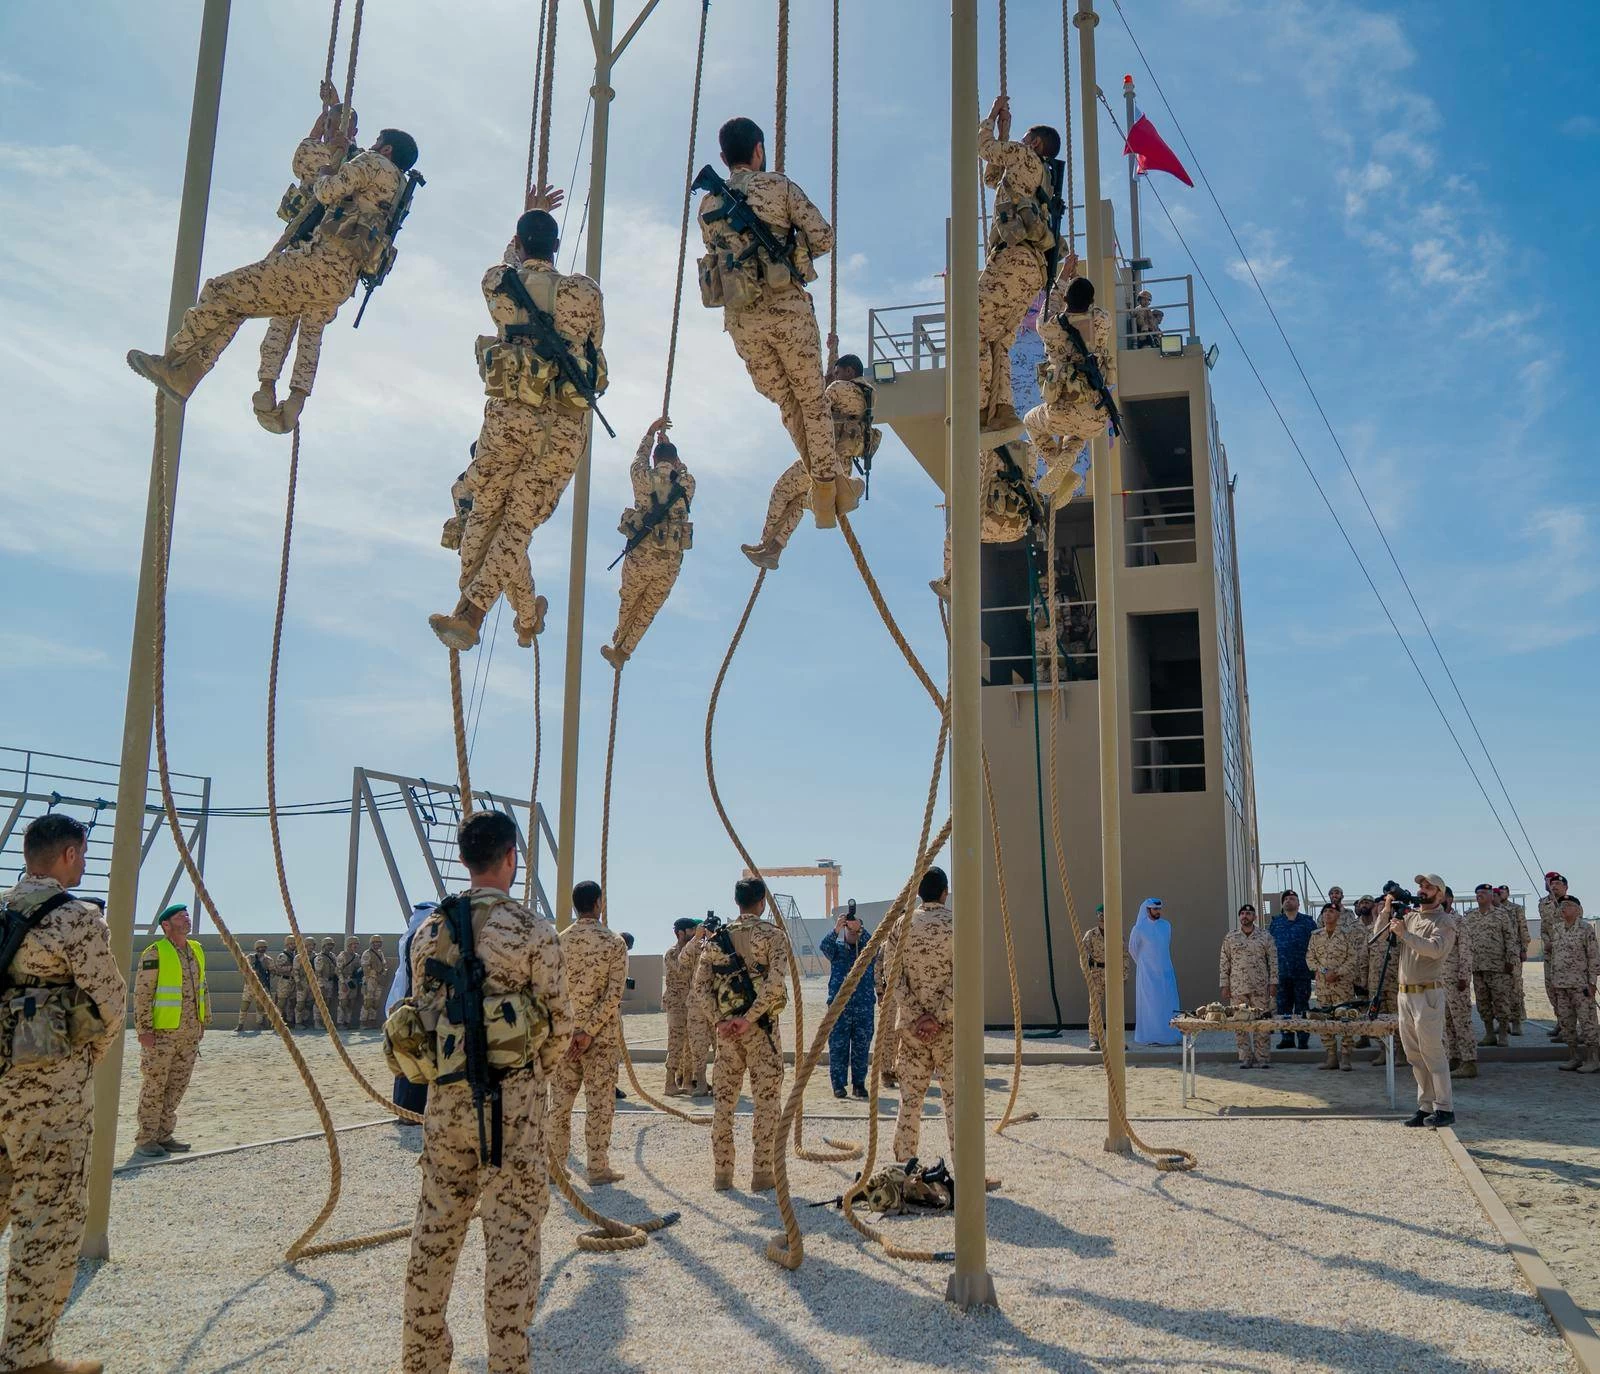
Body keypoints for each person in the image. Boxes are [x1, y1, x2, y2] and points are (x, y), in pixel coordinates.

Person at [401, 810, 571, 1374]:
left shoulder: (430, 932)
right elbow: (560, 1026)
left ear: (464, 859)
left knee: (434, 1237)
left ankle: (422, 1362)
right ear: (511, 858)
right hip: (512, 1112)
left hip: (445, 1105)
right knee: (512, 1243)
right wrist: (531, 1074)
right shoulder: (532, 930)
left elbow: (420, 1016)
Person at [128, 127, 419, 416]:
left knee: (221, 290)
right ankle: (185, 376)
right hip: (339, 283)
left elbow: (327, 191)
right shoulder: (397, 190)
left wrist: (328, 167)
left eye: (378, 141)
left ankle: (172, 362)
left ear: (387, 149)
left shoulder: (373, 162)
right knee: (239, 306)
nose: (373, 144)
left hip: (318, 265)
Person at [430, 188, 606, 653]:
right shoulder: (585, 292)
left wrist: (528, 223)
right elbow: (594, 342)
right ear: (556, 245)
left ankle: (471, 613)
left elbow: (507, 268)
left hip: (510, 415)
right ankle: (479, 613)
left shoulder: (497, 283)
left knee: (485, 513)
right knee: (516, 522)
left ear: (521, 244)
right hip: (562, 425)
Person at [0, 815, 125, 1374]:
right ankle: (27, 1358)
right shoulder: (76, 919)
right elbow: (111, 1005)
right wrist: (84, 1062)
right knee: (48, 1217)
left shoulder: (3, 910)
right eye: (84, 854)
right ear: (70, 855)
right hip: (49, 1093)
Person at [698, 116, 855, 528]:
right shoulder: (778, 186)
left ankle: (829, 484)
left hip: (742, 319)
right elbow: (823, 238)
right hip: (786, 310)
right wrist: (791, 250)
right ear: (759, 149)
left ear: (723, 158)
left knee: (789, 404)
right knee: (812, 402)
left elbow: (717, 253)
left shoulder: (707, 205)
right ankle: (827, 486)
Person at [252, 82, 362, 433]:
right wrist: (335, 112)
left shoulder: (322, 158)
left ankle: (270, 388)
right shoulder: (358, 165)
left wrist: (328, 114)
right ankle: (290, 396)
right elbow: (332, 138)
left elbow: (310, 146)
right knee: (306, 331)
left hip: (304, 256)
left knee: (285, 323)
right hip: (329, 265)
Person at [692, 876, 789, 1191]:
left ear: (737, 902)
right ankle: (762, 1174)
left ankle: (723, 1175)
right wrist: (749, 1018)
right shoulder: (772, 935)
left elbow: (699, 987)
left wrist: (720, 1020)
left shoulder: (716, 940)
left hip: (727, 1035)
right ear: (762, 902)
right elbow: (775, 984)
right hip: (761, 1031)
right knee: (766, 1102)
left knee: (724, 1103)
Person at [977, 95, 1061, 439]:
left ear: (1035, 143)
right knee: (998, 340)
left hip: (1012, 258)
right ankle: (1000, 410)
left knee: (973, 326)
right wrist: (1005, 131)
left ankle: (977, 406)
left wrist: (991, 117)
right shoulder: (1042, 177)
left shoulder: (1024, 155)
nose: (1021, 142)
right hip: (1032, 268)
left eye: (1026, 138)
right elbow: (992, 177)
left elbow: (983, 148)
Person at [741, 353, 874, 569]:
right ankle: (774, 550)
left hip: (824, 459)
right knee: (799, 501)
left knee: (782, 490)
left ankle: (767, 543)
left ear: (849, 371)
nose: (835, 377)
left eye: (838, 373)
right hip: (844, 465)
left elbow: (815, 405)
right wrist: (834, 353)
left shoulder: (840, 387)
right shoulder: (866, 396)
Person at [547, 881, 628, 1186]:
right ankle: (597, 1168)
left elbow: (551, 994)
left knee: (559, 1106)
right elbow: (614, 994)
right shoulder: (614, 942)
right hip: (601, 1040)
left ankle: (555, 1168)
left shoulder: (558, 942)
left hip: (565, 1040)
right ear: (598, 903)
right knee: (599, 1104)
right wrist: (590, 1032)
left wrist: (570, 1032)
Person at [601, 417, 695, 668]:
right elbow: (681, 470)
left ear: (655, 459)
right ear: (674, 461)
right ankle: (624, 649)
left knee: (629, 599)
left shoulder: (642, 477)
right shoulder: (686, 483)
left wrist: (650, 433)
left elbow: (638, 460)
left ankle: (621, 638)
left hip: (642, 554)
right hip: (670, 560)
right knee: (648, 609)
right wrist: (673, 456)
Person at [1027, 260, 1117, 501]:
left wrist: (1064, 277)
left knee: (1030, 422)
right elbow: (1092, 309)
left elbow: (1050, 305)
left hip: (1061, 413)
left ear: (1066, 298)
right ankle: (1067, 458)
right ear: (1091, 300)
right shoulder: (1102, 321)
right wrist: (1076, 287)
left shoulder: (1049, 327)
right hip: (1097, 416)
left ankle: (1057, 464)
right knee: (1078, 430)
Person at [133, 902, 209, 1159]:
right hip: (161, 1034)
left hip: (189, 1033)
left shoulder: (196, 950)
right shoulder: (155, 952)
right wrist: (144, 1029)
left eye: (187, 915)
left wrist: (203, 1020)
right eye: (180, 916)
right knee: (155, 1086)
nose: (187, 919)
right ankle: (146, 1139)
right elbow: (142, 994)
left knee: (177, 1086)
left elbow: (202, 987)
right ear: (166, 925)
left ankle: (164, 1135)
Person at [893, 869, 957, 1164]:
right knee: (956, 1103)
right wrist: (938, 1017)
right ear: (945, 892)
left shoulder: (901, 925)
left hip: (912, 1030)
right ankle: (967, 1172)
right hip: (950, 1030)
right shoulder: (957, 923)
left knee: (909, 1101)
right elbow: (964, 975)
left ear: (919, 892)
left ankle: (903, 1169)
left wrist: (917, 1016)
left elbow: (892, 976)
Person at [819, 900, 876, 1099]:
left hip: (863, 1008)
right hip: (839, 1008)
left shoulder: (867, 950)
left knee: (861, 1047)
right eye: (848, 930)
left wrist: (861, 929)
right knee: (838, 1047)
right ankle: (838, 1085)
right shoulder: (837, 949)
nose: (851, 933)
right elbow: (824, 946)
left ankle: (859, 1084)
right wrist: (836, 929)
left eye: (855, 931)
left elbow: (876, 946)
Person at [389, 900, 438, 1115]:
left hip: (409, 1001)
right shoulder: (422, 940)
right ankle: (411, 1109)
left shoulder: (409, 939)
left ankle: (405, 1106)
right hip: (421, 1002)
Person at [1218, 903, 1277, 1068]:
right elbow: (1224, 962)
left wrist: (1274, 982)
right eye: (1242, 913)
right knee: (1239, 1024)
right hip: (1238, 987)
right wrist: (1224, 985)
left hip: (1260, 987)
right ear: (1239, 917)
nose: (1245, 916)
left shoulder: (1265, 936)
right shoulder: (1231, 937)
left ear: (1255, 917)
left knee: (1262, 1023)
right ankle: (1245, 1057)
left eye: (1248, 914)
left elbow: (1273, 961)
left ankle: (1262, 1058)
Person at [1547, 896, 1599, 1072]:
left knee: (1587, 1022)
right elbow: (1555, 957)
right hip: (1561, 985)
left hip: (1580, 985)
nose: (1564, 909)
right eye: (1562, 906)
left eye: (1568, 906)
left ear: (1578, 910)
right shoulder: (1557, 928)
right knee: (1566, 1023)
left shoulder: (1585, 929)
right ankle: (1574, 1057)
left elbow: (1593, 957)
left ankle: (1593, 1059)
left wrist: (1592, 982)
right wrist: (1553, 980)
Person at [1306, 903, 1360, 1070]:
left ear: (1338, 915)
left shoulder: (1347, 934)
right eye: (1325, 912)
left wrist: (1337, 972)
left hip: (1342, 985)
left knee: (1345, 1019)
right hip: (1323, 986)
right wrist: (1324, 971)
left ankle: (1346, 1057)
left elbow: (1353, 958)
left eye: (1331, 911)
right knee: (1324, 1020)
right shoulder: (1316, 935)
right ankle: (1331, 1056)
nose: (1327, 914)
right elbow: (1310, 958)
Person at [1468, 884, 1518, 1049]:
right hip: (1478, 967)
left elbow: (1510, 939)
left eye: (1483, 893)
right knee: (1482, 1003)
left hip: (1498, 967)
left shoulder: (1502, 915)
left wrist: (1510, 960)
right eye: (1477, 893)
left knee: (1501, 1001)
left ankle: (1503, 1033)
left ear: (1491, 896)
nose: (1479, 895)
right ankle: (1489, 1034)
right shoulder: (1470, 916)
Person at [1128, 898, 1182, 1046]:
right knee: (1150, 1004)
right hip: (1147, 974)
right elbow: (1132, 949)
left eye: (1159, 909)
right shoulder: (1139, 928)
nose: (1158, 911)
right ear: (1148, 910)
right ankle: (1151, 1036)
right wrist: (1144, 965)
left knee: (1168, 1001)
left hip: (1166, 970)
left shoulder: (1166, 926)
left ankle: (1170, 1035)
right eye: (1155, 909)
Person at [1081, 904, 1132, 1053]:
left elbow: (1124, 955)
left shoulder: (1116, 934)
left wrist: (1124, 975)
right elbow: (1083, 954)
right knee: (1095, 1006)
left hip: (1113, 974)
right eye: (1100, 915)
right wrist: (1086, 973)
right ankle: (1095, 1039)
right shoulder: (1091, 934)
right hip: (1096, 973)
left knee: (1116, 1008)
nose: (1103, 918)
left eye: (1105, 915)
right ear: (1098, 917)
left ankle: (1117, 1039)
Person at [1268, 890, 1316, 1048]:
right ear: (1282, 904)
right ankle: (1287, 1038)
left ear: (1298, 903)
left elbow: (1315, 945)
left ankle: (1303, 1038)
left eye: (1292, 898)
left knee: (1302, 1006)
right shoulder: (1276, 922)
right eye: (1286, 899)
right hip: (1282, 972)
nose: (1289, 901)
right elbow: (1270, 947)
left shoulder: (1308, 922)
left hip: (1302, 972)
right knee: (1284, 1007)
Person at [1439, 890, 1476, 1080]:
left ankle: (1469, 1061)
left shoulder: (1458, 921)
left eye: (1441, 896)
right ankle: (1453, 1057)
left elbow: (1466, 950)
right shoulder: (1434, 921)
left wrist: (1463, 977)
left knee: (1461, 1020)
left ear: (1450, 899)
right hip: (1438, 980)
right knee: (1446, 1022)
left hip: (1455, 979)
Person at [662, 918, 698, 1096]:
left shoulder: (694, 952)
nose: (694, 934)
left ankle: (687, 1081)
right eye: (691, 930)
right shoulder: (671, 953)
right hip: (676, 1005)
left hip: (690, 1004)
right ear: (680, 933)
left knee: (690, 1045)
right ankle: (669, 1083)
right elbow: (683, 971)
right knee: (675, 1044)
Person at [679, 920, 712, 1097]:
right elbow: (682, 959)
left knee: (722, 1044)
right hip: (696, 1003)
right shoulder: (695, 946)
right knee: (697, 1045)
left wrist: (715, 939)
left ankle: (720, 1083)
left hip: (716, 1003)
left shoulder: (722, 943)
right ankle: (701, 1083)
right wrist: (696, 938)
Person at [1495, 884, 1530, 1033]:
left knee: (1515, 987)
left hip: (1513, 952)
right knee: (1498, 989)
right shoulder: (1492, 910)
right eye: (1498, 893)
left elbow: (1523, 929)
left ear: (1508, 894)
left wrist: (1524, 949)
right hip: (1496, 955)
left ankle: (1516, 1021)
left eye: (1503, 892)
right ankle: (1503, 1022)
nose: (1501, 895)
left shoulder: (1516, 909)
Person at [1539, 872, 1569, 1041]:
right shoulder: (1543, 903)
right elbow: (1544, 928)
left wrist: (1555, 943)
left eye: (1557, 883)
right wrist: (1547, 942)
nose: (1553, 885)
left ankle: (1569, 1028)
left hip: (1567, 955)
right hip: (1550, 954)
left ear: (1565, 887)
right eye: (1551, 883)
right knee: (1551, 989)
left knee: (1564, 990)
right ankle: (1560, 1021)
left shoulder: (1570, 903)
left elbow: (1572, 928)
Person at [237, 938, 274, 1033]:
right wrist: (252, 972)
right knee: (245, 1005)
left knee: (260, 1006)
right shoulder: (250, 958)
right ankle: (240, 1024)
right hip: (249, 985)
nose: (262, 949)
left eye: (263, 947)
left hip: (261, 986)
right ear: (256, 948)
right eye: (260, 947)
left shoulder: (268, 960)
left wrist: (269, 972)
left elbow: (273, 972)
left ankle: (259, 1023)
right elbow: (241, 969)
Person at [360, 933, 390, 1029]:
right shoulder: (367, 953)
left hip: (379, 981)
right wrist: (376, 976)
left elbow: (384, 966)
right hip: (370, 980)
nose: (377, 944)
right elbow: (365, 968)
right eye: (375, 942)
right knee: (368, 1002)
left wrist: (383, 975)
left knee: (376, 1002)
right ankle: (363, 1022)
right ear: (371, 943)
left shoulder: (380, 953)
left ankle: (372, 1021)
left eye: (379, 942)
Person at [336, 935, 363, 1029]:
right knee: (343, 1002)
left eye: (356, 944)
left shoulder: (357, 957)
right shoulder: (342, 956)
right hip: (345, 980)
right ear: (348, 945)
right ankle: (340, 1022)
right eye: (353, 944)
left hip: (353, 981)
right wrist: (342, 983)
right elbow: (338, 970)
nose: (355, 946)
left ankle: (347, 1022)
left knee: (351, 1002)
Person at [292, 932, 318, 1029]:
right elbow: (295, 971)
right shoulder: (299, 957)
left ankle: (305, 1020)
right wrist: (298, 982)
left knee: (309, 1002)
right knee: (300, 1003)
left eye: (313, 945)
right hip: (302, 982)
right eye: (309, 945)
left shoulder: (316, 956)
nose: (312, 947)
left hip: (312, 982)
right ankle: (298, 1022)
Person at [316, 936, 341, 1030]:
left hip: (330, 981)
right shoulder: (319, 957)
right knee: (320, 1002)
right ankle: (317, 1021)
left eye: (331, 945)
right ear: (324, 945)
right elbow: (318, 972)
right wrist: (321, 985)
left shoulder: (333, 956)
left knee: (328, 1002)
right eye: (328, 945)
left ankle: (324, 1021)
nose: (330, 946)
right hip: (322, 980)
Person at [272, 937, 296, 1024]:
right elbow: (278, 969)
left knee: (292, 1002)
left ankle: (290, 1020)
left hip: (294, 981)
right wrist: (290, 968)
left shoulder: (295, 955)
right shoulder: (283, 956)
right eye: (291, 944)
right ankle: (277, 1021)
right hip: (285, 981)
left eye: (294, 943)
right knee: (281, 1002)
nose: (294, 945)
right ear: (287, 944)